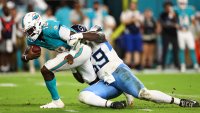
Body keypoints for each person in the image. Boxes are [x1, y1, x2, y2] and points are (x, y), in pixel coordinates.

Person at [68, 25, 200, 108]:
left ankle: (180, 101)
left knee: (144, 94)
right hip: (107, 83)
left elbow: (98, 36)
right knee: (83, 95)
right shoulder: (79, 53)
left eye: (72, 35)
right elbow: (82, 80)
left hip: (119, 71)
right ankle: (113, 105)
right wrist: (73, 65)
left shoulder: (94, 35)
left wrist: (79, 35)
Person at [21, 12, 131, 109]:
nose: (29, 33)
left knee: (46, 69)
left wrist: (72, 55)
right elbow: (25, 54)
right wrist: (27, 57)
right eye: (27, 31)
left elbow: (75, 38)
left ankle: (56, 101)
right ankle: (121, 91)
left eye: (30, 30)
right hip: (73, 54)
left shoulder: (51, 27)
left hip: (78, 49)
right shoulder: (31, 38)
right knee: (94, 82)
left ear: (38, 24)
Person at [174, 0, 199, 72]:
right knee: (181, 48)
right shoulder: (175, 9)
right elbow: (173, 18)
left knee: (192, 48)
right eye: (180, 3)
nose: (182, 4)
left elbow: (193, 21)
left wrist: (196, 30)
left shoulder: (190, 9)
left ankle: (195, 65)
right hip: (180, 32)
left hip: (188, 31)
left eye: (183, 3)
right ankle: (182, 65)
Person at [120, 1, 143, 69]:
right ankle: (128, 64)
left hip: (136, 33)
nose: (133, 6)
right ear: (130, 5)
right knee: (129, 49)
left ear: (136, 6)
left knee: (137, 49)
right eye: (132, 5)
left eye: (134, 5)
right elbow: (123, 21)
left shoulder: (138, 12)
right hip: (129, 33)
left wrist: (135, 20)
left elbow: (141, 21)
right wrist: (132, 20)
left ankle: (137, 64)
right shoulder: (126, 12)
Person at [159, 1, 180, 70]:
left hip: (174, 35)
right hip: (165, 35)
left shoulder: (175, 14)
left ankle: (177, 65)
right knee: (165, 50)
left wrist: (173, 18)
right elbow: (164, 24)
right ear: (165, 8)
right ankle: (163, 65)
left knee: (175, 50)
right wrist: (172, 24)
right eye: (167, 7)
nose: (168, 8)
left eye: (169, 7)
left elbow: (177, 23)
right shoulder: (163, 14)